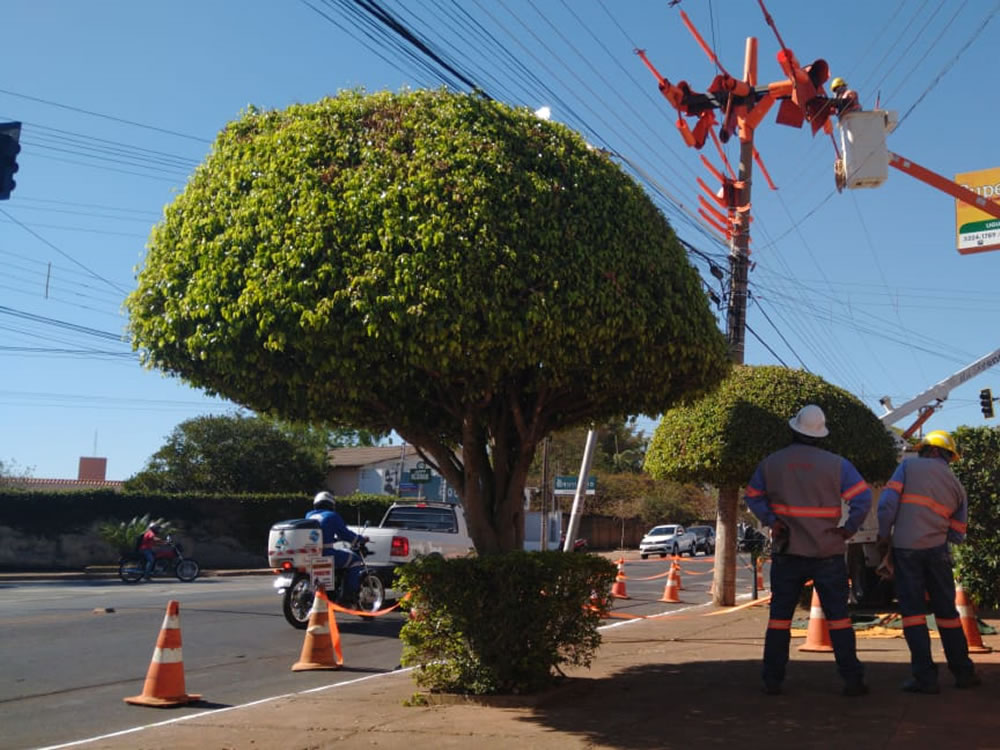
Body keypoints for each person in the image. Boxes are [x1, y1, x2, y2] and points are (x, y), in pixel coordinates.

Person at [744, 404, 871, 697]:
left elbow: (753, 496)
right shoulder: (838, 464)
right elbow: (862, 499)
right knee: (838, 618)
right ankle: (852, 679)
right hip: (827, 550)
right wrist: (847, 529)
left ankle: (772, 680)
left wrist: (771, 521)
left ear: (794, 429)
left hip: (788, 551)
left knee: (779, 619)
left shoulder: (772, 463)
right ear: (821, 435)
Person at [877, 430, 981, 694]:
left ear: (931, 450)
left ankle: (925, 677)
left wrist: (883, 535)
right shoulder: (957, 485)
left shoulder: (908, 467)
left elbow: (887, 505)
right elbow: (957, 533)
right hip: (937, 552)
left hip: (906, 549)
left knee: (913, 615)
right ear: (947, 455)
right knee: (948, 614)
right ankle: (963, 672)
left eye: (924, 449)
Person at [306, 491, 368, 603]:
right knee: (355, 560)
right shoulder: (332, 516)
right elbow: (345, 534)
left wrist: (332, 539)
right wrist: (360, 539)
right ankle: (350, 595)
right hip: (326, 553)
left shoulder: (309, 515)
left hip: (311, 554)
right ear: (331, 505)